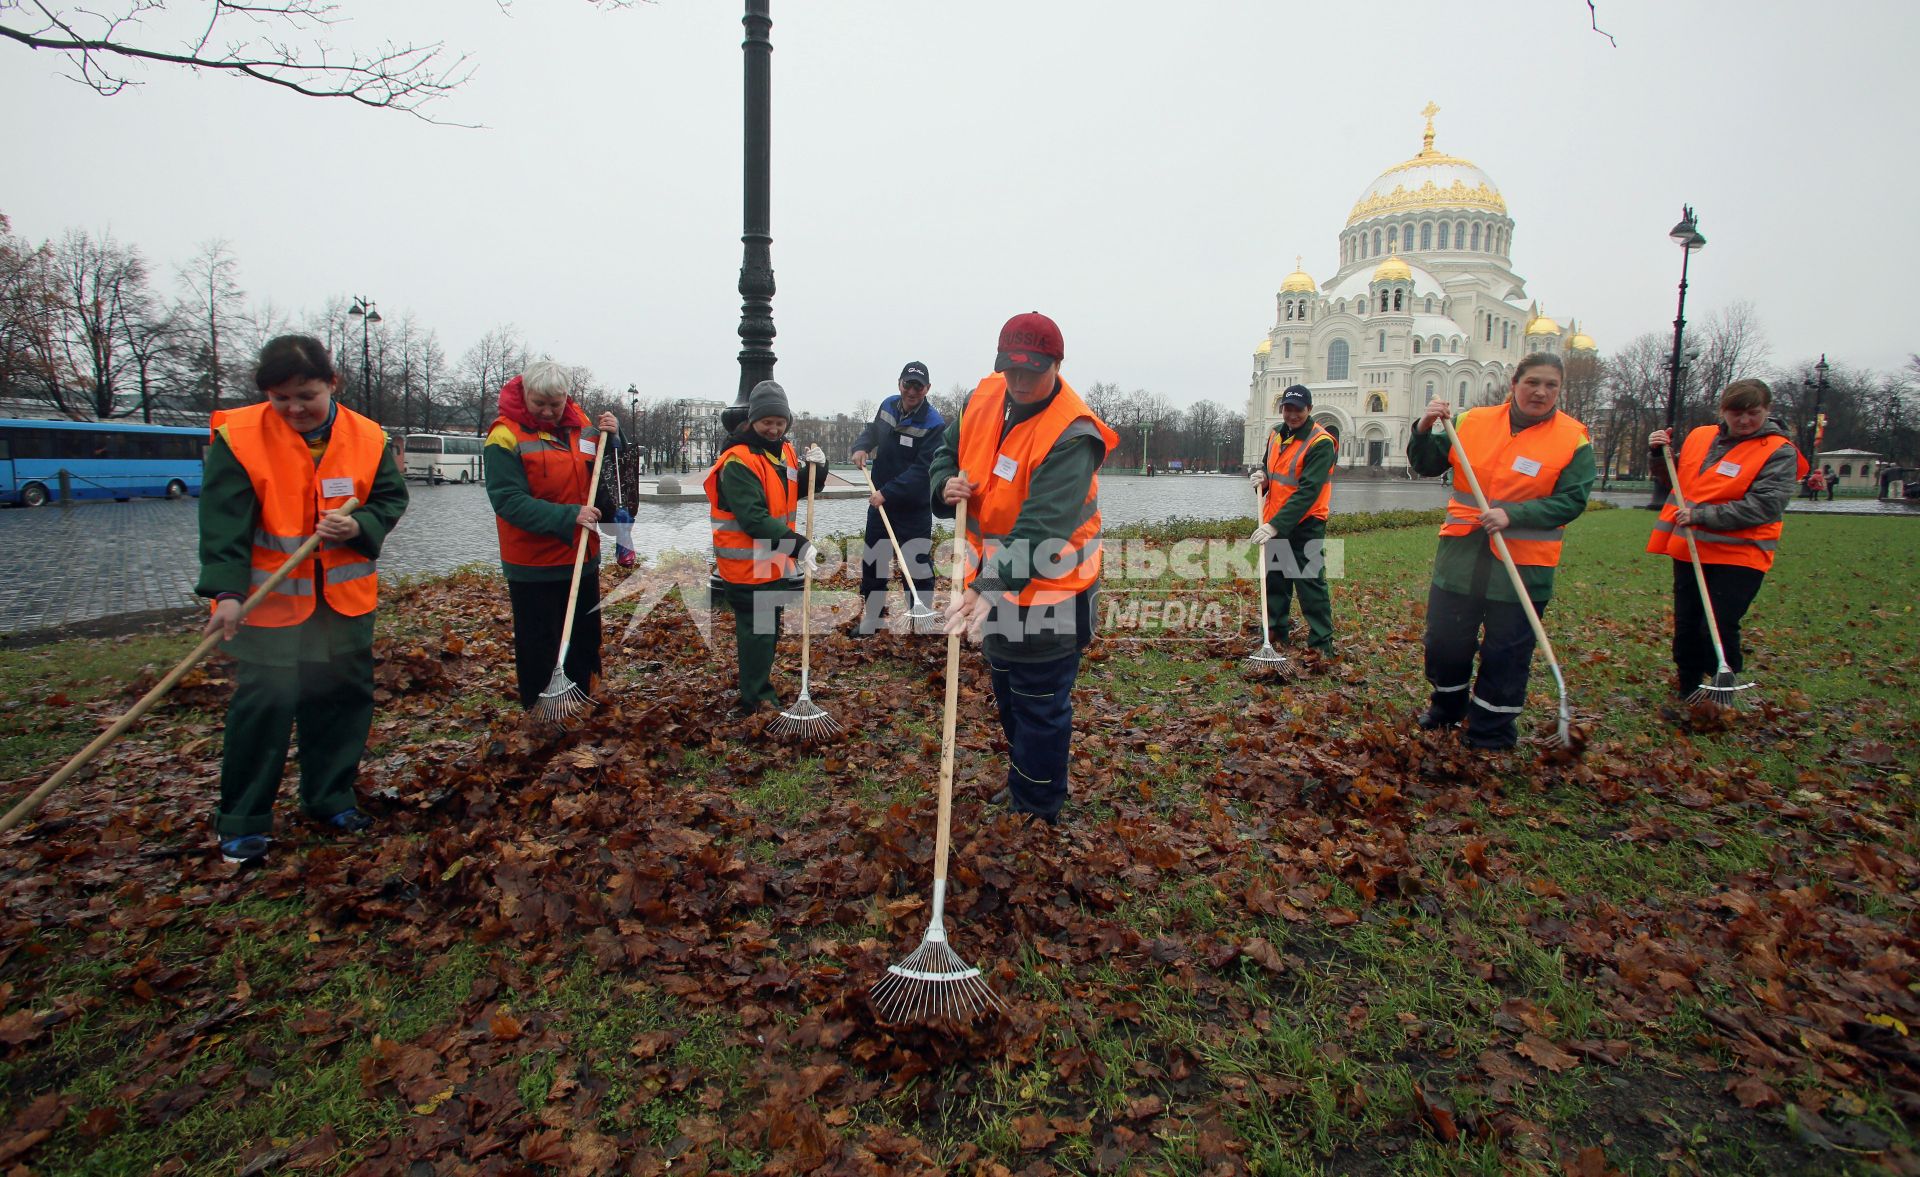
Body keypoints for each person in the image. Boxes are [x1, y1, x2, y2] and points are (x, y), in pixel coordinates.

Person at [197, 335, 409, 864]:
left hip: (343, 604)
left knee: (340, 706)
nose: (294, 408)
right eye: (281, 398)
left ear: (331, 385)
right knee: (263, 709)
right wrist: (225, 593)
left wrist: (358, 524)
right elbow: (224, 524)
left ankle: (330, 797)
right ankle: (244, 821)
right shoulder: (239, 437)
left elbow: (388, 500)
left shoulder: (368, 437)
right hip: (270, 608)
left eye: (305, 396)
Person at [928, 312, 1118, 825]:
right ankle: (1024, 783)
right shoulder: (985, 396)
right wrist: (943, 487)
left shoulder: (1073, 434)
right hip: (993, 585)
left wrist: (988, 588)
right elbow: (945, 454)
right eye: (1011, 371)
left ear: (1057, 364)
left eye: (1033, 372)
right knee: (1008, 686)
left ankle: (1038, 805)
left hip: (1054, 591)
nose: (1020, 383)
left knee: (1040, 701)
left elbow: (1041, 528)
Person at [1406, 353, 1593, 750]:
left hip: (1523, 564)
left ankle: (1491, 730)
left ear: (1559, 390)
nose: (1540, 392)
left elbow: (1572, 501)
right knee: (1444, 642)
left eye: (1550, 385)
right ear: (1515, 384)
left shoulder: (1572, 438)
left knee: (1507, 651)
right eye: (1532, 383)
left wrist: (1515, 515)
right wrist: (1423, 428)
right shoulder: (1472, 422)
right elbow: (1425, 463)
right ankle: (1447, 707)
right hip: (1462, 557)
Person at [1647, 379, 1803, 703]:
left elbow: (1766, 505)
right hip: (1691, 550)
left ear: (1767, 411)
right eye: (1737, 412)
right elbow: (1674, 478)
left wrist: (1703, 515)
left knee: (1717, 625)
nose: (1744, 420)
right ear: (1724, 411)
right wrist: (1658, 453)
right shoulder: (1701, 437)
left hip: (1741, 555)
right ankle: (1688, 687)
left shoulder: (1779, 451)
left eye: (1753, 413)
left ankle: (1722, 690)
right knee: (1687, 625)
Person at [484, 361, 620, 710]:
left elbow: (602, 464)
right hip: (533, 563)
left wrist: (615, 435)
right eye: (539, 403)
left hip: (581, 557)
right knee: (539, 643)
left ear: (566, 398)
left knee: (585, 638)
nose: (547, 412)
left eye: (554, 404)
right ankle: (542, 711)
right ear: (525, 394)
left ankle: (586, 699)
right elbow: (508, 501)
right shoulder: (504, 435)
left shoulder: (581, 426)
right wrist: (568, 515)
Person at [704, 380, 828, 716]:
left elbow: (799, 489)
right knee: (758, 632)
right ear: (753, 421)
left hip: (771, 563)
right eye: (766, 423)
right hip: (746, 567)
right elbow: (754, 519)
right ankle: (757, 700)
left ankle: (758, 687)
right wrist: (799, 546)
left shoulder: (783, 451)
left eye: (780, 422)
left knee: (767, 629)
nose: (773, 429)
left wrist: (819, 467)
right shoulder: (738, 462)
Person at [847, 361, 945, 634]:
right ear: (899, 384)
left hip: (912, 507)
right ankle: (873, 618)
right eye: (907, 384)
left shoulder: (934, 424)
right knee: (874, 561)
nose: (912, 391)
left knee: (916, 564)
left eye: (918, 386)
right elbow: (873, 431)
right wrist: (862, 447)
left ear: (927, 389)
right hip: (880, 504)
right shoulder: (889, 405)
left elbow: (923, 470)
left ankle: (920, 620)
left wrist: (887, 493)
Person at [1247, 384, 1336, 658]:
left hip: (1306, 523)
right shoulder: (1275, 434)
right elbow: (1270, 469)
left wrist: (1275, 525)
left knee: (1310, 583)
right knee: (1276, 581)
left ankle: (1321, 645)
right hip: (1275, 518)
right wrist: (1262, 478)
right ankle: (1274, 635)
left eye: (1297, 409)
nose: (1292, 414)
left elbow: (1308, 491)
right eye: (1287, 409)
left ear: (1309, 410)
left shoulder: (1321, 443)